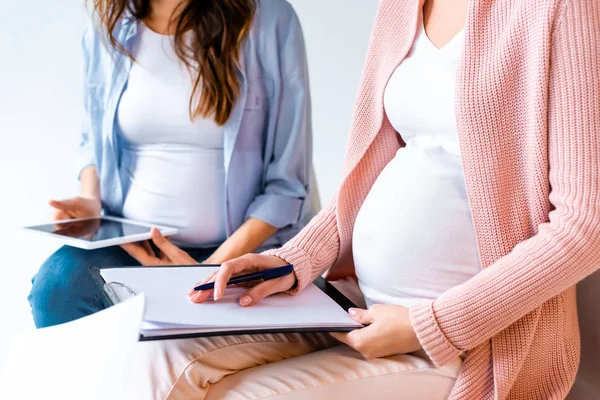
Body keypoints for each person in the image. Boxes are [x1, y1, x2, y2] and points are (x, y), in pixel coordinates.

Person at [108, 0, 600, 398]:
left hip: (467, 342)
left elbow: (585, 227)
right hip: (352, 306)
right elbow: (370, 172)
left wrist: (433, 325)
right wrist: (289, 262)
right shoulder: (401, 6)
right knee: (155, 356)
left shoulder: (561, 8)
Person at [28, 0, 312, 329]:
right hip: (130, 246)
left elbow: (287, 186)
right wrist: (91, 200)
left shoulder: (270, 20)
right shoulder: (106, 30)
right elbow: (91, 140)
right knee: (55, 291)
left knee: (187, 322)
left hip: (237, 250)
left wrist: (202, 274)